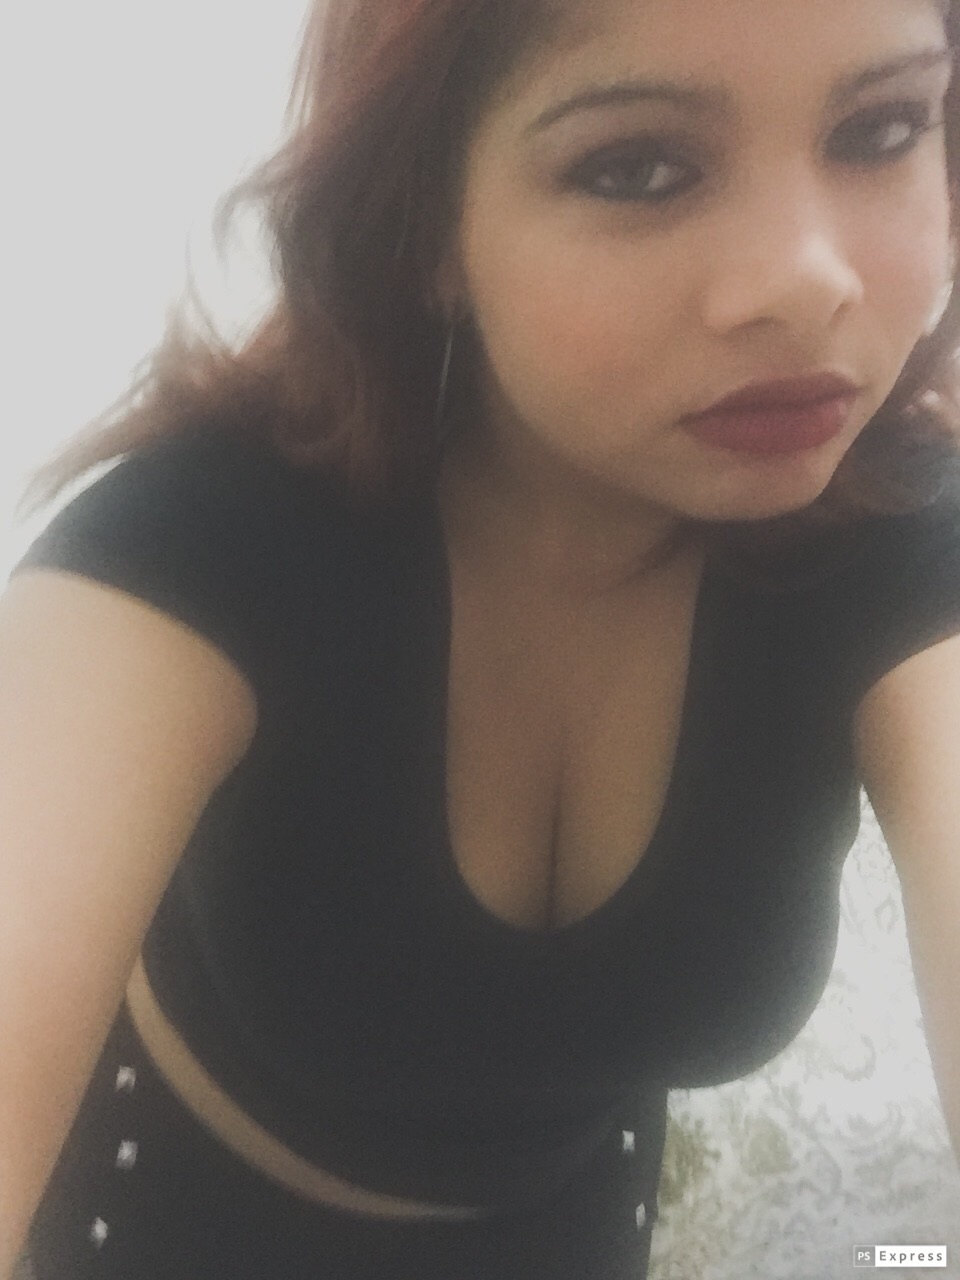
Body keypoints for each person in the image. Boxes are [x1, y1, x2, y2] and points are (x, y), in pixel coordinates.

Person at [3, 0, 960, 1276]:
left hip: (573, 1225)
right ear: (430, 225)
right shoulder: (195, 552)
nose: (810, 279)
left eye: (882, 130)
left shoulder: (895, 538)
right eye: (638, 167)